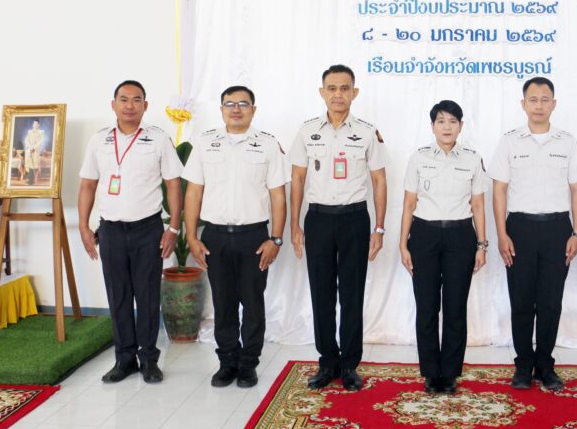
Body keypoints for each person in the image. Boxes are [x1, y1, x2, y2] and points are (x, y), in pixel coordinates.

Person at [288, 64, 387, 392]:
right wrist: (295, 224)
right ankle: (327, 361)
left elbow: (379, 180)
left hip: (354, 219)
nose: (338, 94)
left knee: (352, 294)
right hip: (318, 219)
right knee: (322, 293)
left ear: (354, 93)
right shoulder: (307, 131)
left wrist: (380, 228)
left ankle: (349, 365)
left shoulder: (368, 132)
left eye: (345, 88)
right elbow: (298, 178)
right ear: (322, 92)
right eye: (331, 88)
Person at [78, 80, 183, 384]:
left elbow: (173, 184)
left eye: (137, 100)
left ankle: (149, 359)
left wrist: (173, 227)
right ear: (113, 105)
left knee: (148, 296)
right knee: (118, 295)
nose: (129, 105)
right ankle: (124, 360)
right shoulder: (99, 140)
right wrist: (84, 226)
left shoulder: (158, 138)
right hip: (110, 231)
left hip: (148, 229)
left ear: (145, 106)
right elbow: (88, 184)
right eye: (123, 99)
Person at [183, 85, 287, 389]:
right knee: (223, 302)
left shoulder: (267, 144)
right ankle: (227, 362)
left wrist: (276, 239)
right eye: (230, 104)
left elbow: (278, 196)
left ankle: (248, 363)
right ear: (221, 109)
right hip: (215, 237)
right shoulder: (205, 143)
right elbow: (194, 193)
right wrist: (192, 237)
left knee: (253, 303)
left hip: (254, 237)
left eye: (243, 103)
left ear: (254, 109)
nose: (236, 109)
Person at [489, 77, 577, 391]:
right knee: (521, 301)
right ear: (523, 104)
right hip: (519, 229)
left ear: (554, 104)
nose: (539, 106)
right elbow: (499, 190)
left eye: (545, 99)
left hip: (558, 229)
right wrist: (502, 233)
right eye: (533, 100)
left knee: (550, 302)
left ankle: (545, 364)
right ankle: (523, 365)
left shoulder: (567, 142)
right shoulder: (509, 142)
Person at [399, 100, 488, 395]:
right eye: (441, 121)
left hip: (460, 236)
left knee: (454, 307)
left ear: (461, 126)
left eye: (452, 121)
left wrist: (482, 245)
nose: (447, 127)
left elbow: (478, 205)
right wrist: (403, 244)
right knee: (426, 306)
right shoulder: (418, 158)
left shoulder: (472, 159)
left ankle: (449, 373)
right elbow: (409, 204)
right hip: (424, 235)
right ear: (432, 126)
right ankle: (430, 371)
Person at [24, 120, 45, 185]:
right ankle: (29, 179)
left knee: (33, 165)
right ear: (33, 125)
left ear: (38, 125)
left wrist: (33, 147)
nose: (35, 125)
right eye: (34, 124)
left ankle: (32, 180)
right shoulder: (29, 132)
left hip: (35, 150)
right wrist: (29, 146)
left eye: (36, 124)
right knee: (29, 164)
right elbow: (26, 140)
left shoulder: (41, 133)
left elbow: (40, 142)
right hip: (29, 150)